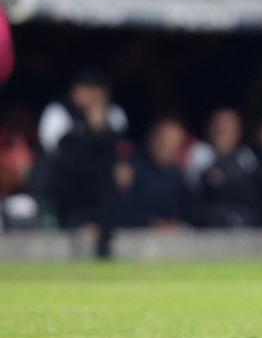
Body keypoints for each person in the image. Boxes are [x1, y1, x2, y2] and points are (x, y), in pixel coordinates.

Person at [36, 70, 129, 257]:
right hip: (66, 180)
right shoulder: (58, 112)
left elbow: (114, 151)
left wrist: (101, 129)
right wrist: (89, 129)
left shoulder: (113, 114)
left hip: (100, 182)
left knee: (115, 177)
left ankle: (105, 239)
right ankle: (76, 223)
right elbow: (58, 154)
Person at [185, 108, 260, 227]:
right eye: (219, 129)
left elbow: (251, 191)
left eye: (227, 129)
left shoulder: (246, 155)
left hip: (241, 217)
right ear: (210, 129)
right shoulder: (199, 152)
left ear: (238, 132)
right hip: (208, 220)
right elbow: (196, 188)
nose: (222, 132)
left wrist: (224, 181)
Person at [117, 118, 189, 228]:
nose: (166, 145)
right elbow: (121, 210)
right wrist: (152, 223)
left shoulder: (178, 177)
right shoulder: (129, 170)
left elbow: (180, 213)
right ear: (151, 139)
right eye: (163, 139)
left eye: (173, 142)